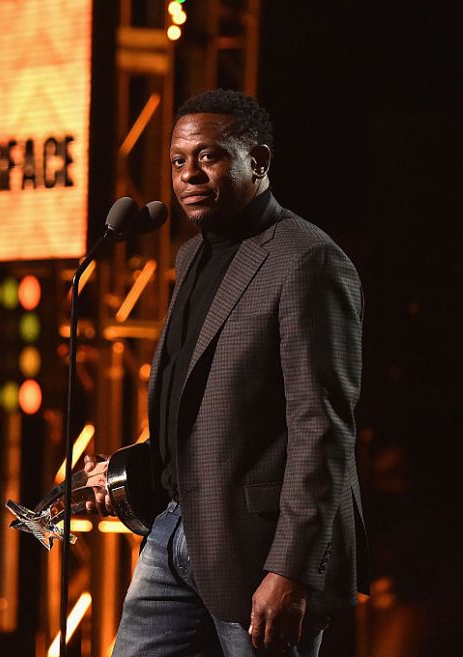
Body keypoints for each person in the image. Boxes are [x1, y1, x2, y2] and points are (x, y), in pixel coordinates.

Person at [84, 89, 369, 656]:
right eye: (178, 160)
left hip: (259, 549)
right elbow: (202, 415)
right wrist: (127, 472)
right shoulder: (192, 256)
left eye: (209, 156)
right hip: (172, 532)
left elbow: (322, 428)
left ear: (258, 162)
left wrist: (291, 568)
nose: (189, 174)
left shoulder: (306, 259)